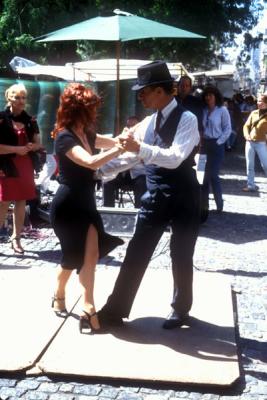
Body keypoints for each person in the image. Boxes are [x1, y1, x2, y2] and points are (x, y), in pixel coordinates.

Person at [98, 60, 200, 330]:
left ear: (159, 91)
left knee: (181, 253)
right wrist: (95, 171)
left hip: (185, 194)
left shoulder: (188, 119)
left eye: (143, 91)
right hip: (156, 192)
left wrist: (140, 147)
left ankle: (181, 308)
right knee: (137, 250)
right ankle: (115, 310)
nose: (140, 96)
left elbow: (176, 157)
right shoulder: (148, 122)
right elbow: (128, 156)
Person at [49, 83, 125, 333]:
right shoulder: (64, 137)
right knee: (72, 258)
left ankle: (87, 306)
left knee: (90, 256)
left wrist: (129, 137)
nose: (95, 112)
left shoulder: (87, 132)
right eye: (91, 107)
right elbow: (91, 162)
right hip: (68, 206)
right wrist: (119, 149)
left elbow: (112, 141)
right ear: (78, 109)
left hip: (87, 204)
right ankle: (59, 291)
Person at [0, 83, 42, 254]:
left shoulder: (31, 120)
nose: (21, 101)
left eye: (23, 97)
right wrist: (17, 149)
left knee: (21, 201)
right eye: (17, 97)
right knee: (3, 201)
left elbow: (39, 144)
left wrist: (32, 146)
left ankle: (16, 239)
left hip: (25, 165)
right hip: (6, 164)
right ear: (9, 98)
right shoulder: (1, 118)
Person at [200, 85, 231, 222]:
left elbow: (227, 129)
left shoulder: (222, 110)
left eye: (210, 95)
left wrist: (219, 142)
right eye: (206, 95)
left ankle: (219, 204)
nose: (208, 97)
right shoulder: (203, 110)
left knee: (213, 175)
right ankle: (204, 207)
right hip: (204, 145)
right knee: (202, 176)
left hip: (216, 145)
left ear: (215, 96)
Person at [102, 115, 146, 208]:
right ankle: (108, 211)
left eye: (133, 126)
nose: (131, 129)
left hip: (136, 175)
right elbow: (112, 157)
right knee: (107, 182)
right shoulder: (121, 140)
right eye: (129, 126)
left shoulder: (143, 141)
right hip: (121, 174)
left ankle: (138, 213)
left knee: (142, 183)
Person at [242, 92, 267, 192]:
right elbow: (246, 126)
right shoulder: (254, 113)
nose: (258, 102)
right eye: (258, 100)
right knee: (250, 165)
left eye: (261, 101)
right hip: (250, 142)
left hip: (262, 143)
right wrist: (246, 135)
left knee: (265, 165)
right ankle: (250, 185)